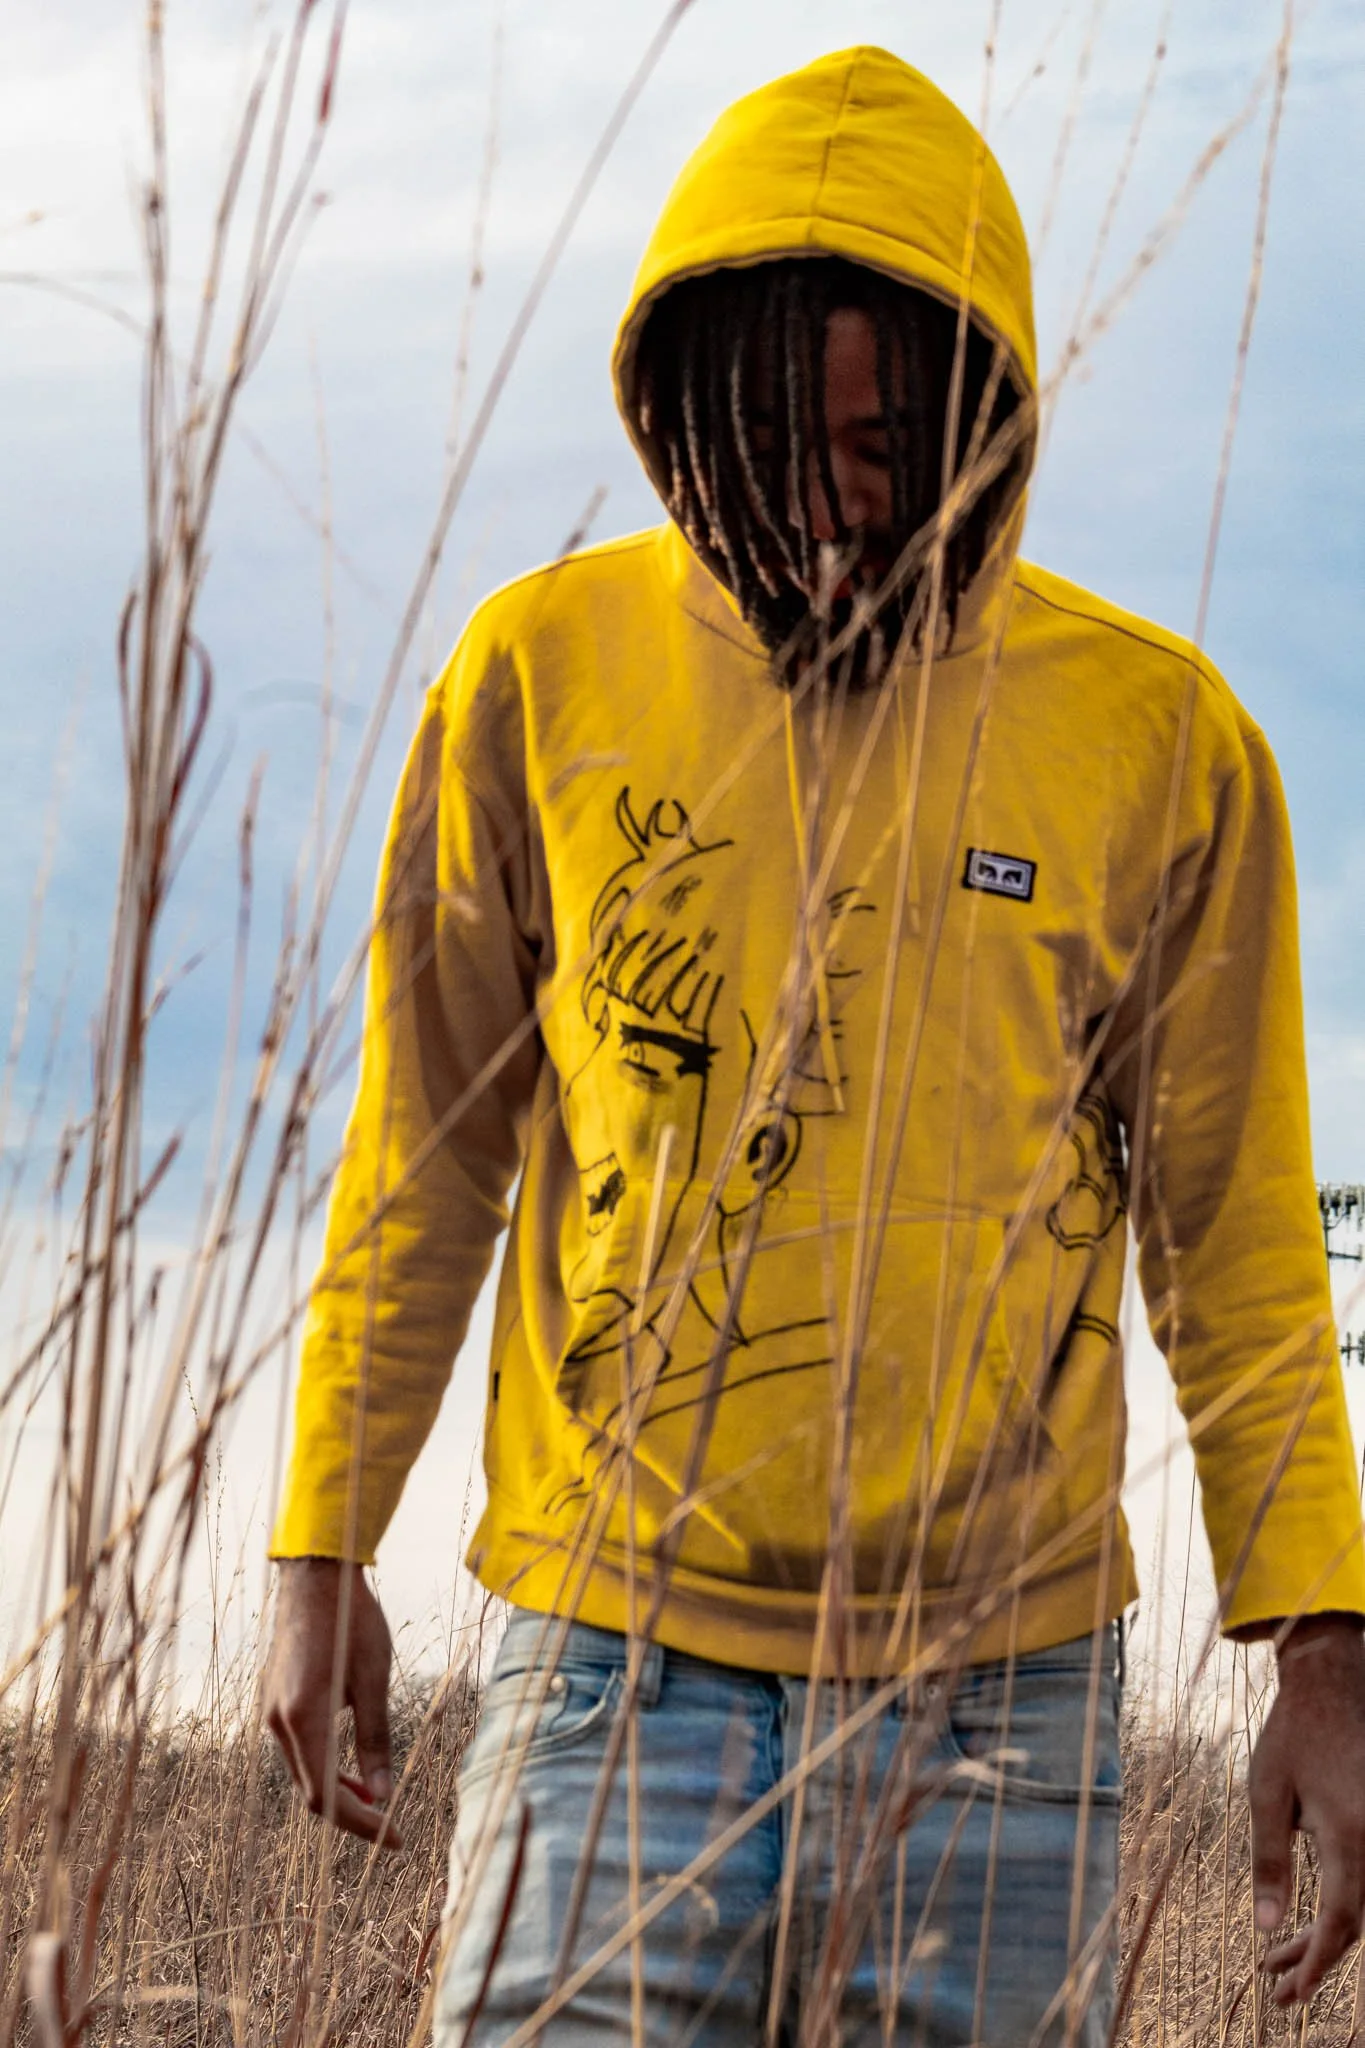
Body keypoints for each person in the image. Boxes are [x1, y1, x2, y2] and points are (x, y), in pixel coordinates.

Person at [264, 45, 1365, 2045]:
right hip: (604, 1670)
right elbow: (420, 1159)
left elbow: (1237, 1245)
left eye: (884, 450)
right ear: (686, 418)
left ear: (982, 424)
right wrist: (317, 1536)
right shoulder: (535, 673)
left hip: (1003, 1712)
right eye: (776, 442)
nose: (828, 501)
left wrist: (1322, 1652)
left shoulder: (1161, 742)